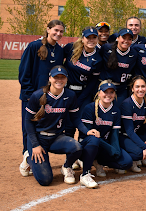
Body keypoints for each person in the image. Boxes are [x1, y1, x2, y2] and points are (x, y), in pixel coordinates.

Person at [20, 66, 99, 188]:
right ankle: (28, 158)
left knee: (77, 148)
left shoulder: (70, 95)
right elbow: (28, 122)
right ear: (50, 78)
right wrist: (35, 145)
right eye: (56, 77)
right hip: (39, 139)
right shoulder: (37, 95)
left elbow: (75, 119)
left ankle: (66, 167)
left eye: (62, 77)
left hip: (56, 138)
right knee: (45, 180)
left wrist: (86, 131)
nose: (59, 80)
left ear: (66, 80)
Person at [19, 20, 65, 157]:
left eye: (61, 31)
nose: (58, 33)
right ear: (48, 29)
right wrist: (29, 95)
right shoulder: (34, 46)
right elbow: (24, 72)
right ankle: (27, 155)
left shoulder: (59, 50)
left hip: (48, 96)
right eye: (55, 30)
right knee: (29, 126)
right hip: (32, 96)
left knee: (43, 126)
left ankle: (39, 155)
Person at [80, 81, 132, 176]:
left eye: (111, 92)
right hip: (88, 144)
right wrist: (109, 148)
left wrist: (116, 150)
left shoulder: (116, 111)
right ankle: (87, 164)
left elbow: (114, 134)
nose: (108, 95)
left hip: (103, 145)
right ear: (99, 93)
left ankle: (99, 162)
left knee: (127, 163)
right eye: (105, 92)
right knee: (94, 140)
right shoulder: (89, 108)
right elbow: (88, 134)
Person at [62, 27, 102, 135]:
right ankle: (70, 148)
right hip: (67, 90)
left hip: (84, 92)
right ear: (83, 38)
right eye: (88, 37)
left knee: (84, 121)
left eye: (94, 37)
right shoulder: (71, 48)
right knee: (69, 123)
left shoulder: (98, 57)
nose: (91, 40)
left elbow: (92, 82)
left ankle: (83, 146)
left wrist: (80, 99)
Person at [119, 76, 146, 171]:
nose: (140, 89)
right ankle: (129, 158)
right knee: (138, 152)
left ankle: (140, 156)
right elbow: (129, 131)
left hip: (136, 136)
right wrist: (144, 147)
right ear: (132, 89)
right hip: (124, 136)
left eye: (143, 86)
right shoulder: (127, 104)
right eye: (137, 87)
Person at [99, 28, 137, 105]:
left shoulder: (133, 54)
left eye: (129, 39)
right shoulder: (106, 48)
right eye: (124, 38)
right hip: (105, 86)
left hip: (121, 89)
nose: (126, 41)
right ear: (117, 38)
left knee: (118, 112)